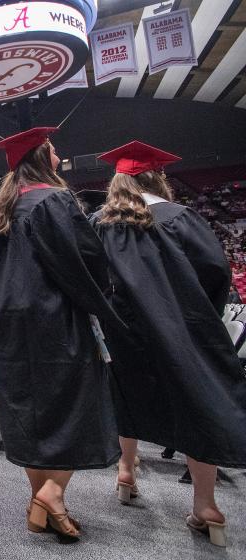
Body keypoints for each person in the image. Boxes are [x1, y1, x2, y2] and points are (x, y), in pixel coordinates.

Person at [93, 141, 246, 547]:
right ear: (156, 177)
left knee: (127, 397)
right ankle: (206, 505)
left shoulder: (102, 224)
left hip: (125, 333)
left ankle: (126, 471)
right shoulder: (180, 217)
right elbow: (215, 272)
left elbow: (92, 278)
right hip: (183, 329)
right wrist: (200, 316)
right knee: (198, 405)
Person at [0, 127, 123, 540]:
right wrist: (103, 304)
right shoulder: (55, 200)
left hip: (6, 330)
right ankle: (52, 493)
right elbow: (84, 260)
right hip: (54, 322)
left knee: (30, 413)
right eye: (54, 150)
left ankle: (43, 504)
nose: (60, 155)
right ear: (42, 157)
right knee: (76, 405)